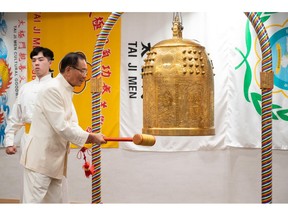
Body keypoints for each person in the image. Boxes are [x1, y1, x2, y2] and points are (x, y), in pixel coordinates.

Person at [20, 51, 107, 203]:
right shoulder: (52, 89)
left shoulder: (65, 90)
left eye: (86, 71)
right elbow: (61, 126)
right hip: (40, 160)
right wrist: (90, 137)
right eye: (82, 71)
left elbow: (72, 123)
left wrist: (86, 136)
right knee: (33, 204)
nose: (85, 75)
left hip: (54, 162)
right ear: (68, 70)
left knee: (55, 204)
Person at [4, 46, 54, 202]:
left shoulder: (57, 86)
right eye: (33, 61)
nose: (36, 64)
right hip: (28, 140)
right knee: (30, 185)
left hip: (50, 141)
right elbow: (15, 117)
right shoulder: (26, 88)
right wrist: (10, 141)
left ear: (50, 62)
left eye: (41, 60)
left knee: (51, 186)